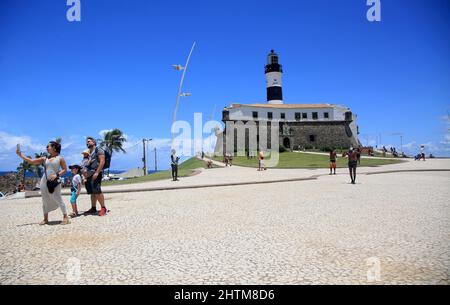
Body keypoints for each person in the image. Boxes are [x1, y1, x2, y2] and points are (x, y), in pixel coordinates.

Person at [16, 141, 70, 225]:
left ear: (54, 148)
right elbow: (31, 161)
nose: (46, 148)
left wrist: (56, 175)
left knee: (57, 197)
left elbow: (64, 170)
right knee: (44, 199)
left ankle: (65, 217)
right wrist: (20, 155)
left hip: (55, 181)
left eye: (48, 146)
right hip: (44, 181)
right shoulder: (45, 158)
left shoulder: (60, 158)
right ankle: (45, 219)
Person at [83, 137, 107, 216]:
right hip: (89, 174)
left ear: (94, 142)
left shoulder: (98, 150)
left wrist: (97, 172)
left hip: (95, 173)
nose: (87, 143)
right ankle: (93, 208)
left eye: (89, 141)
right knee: (92, 192)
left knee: (97, 191)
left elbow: (102, 162)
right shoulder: (89, 152)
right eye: (87, 142)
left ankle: (103, 208)